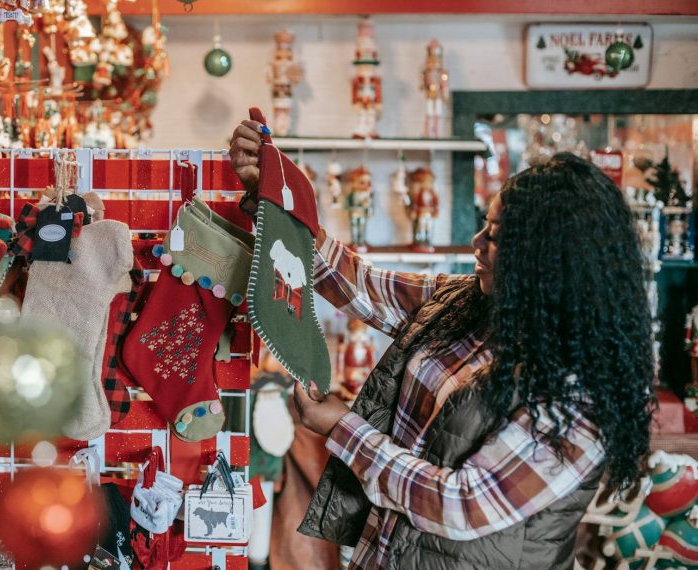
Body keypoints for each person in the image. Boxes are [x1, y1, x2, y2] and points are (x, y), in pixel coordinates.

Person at [229, 119, 655, 570]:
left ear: (549, 260)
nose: (476, 243)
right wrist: (275, 200)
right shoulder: (469, 303)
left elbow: (462, 505)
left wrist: (344, 430)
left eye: (495, 236)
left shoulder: (579, 397)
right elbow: (362, 285)